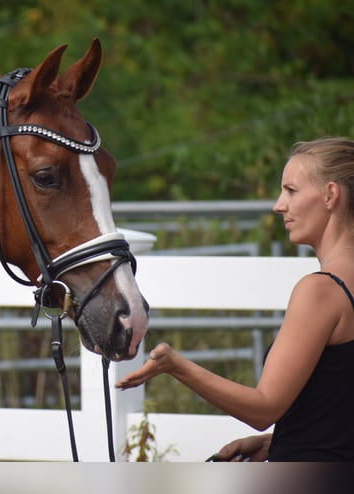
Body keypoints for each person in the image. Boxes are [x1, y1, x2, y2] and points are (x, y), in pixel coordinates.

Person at [116, 136, 354, 462]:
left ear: (330, 194)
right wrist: (273, 442)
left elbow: (264, 407)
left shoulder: (322, 290)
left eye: (291, 190)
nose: (278, 204)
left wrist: (174, 365)